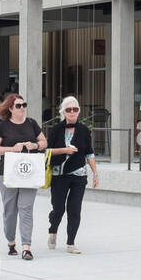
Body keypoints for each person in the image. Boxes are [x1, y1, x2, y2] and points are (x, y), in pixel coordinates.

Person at [0, 92, 46, 260]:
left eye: (24, 105)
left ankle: (26, 247)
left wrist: (35, 145)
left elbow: (44, 142)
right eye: (19, 106)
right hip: (8, 173)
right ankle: (11, 241)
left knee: (26, 209)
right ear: (11, 109)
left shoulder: (31, 123)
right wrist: (12, 149)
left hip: (29, 173)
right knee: (10, 210)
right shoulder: (3, 126)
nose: (22, 108)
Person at [46, 96, 98, 254]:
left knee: (75, 209)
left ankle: (71, 243)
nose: (72, 112)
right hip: (59, 175)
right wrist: (64, 150)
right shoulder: (56, 130)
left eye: (75, 109)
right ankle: (53, 230)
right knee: (58, 208)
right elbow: (47, 151)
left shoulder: (84, 130)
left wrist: (95, 173)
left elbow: (89, 153)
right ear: (63, 112)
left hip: (79, 175)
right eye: (69, 109)